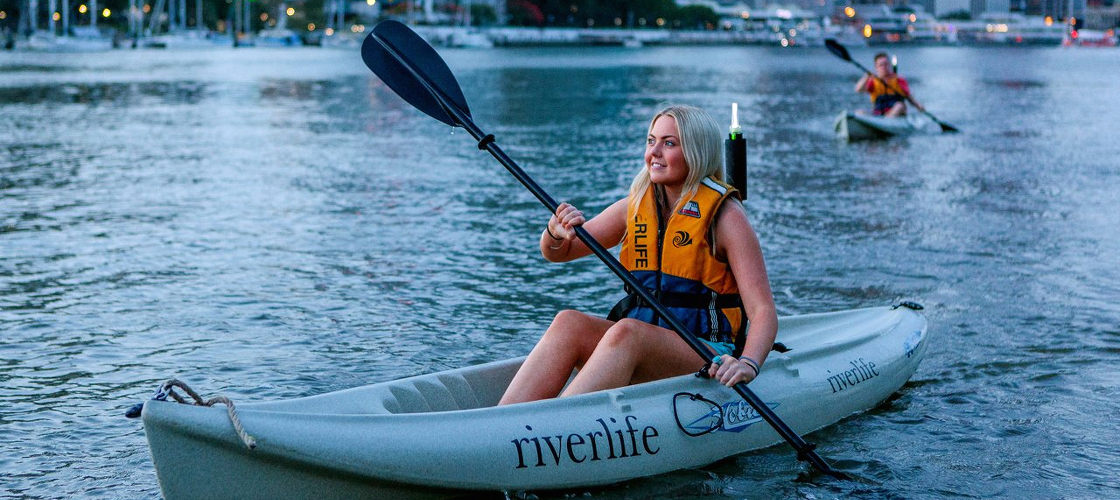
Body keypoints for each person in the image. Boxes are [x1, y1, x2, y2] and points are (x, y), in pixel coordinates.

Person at [498, 105, 777, 405]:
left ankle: (555, 423)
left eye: (669, 143)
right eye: (651, 141)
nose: (654, 152)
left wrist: (748, 364)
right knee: (569, 323)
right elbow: (560, 252)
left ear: (696, 152)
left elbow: (763, 311)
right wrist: (554, 231)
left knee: (628, 332)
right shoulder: (634, 207)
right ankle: (505, 418)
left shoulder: (726, 216)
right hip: (643, 342)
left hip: (706, 351)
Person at [855, 52, 923, 117]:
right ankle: (882, 120)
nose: (884, 67)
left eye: (886, 64)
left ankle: (887, 119)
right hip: (879, 113)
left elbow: (909, 97)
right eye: (881, 65)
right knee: (859, 112)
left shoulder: (899, 80)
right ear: (876, 67)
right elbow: (858, 89)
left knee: (900, 105)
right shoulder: (873, 81)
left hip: (897, 114)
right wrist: (867, 76)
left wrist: (918, 106)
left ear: (890, 65)